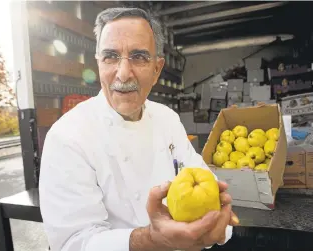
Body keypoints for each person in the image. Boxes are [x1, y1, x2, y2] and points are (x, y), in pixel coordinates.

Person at [39, 7, 239, 251]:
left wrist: (218, 221)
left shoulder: (167, 119)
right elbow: (73, 243)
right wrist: (152, 240)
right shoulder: (68, 137)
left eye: (139, 57)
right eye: (110, 56)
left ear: (157, 70)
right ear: (99, 63)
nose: (123, 74)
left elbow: (202, 178)